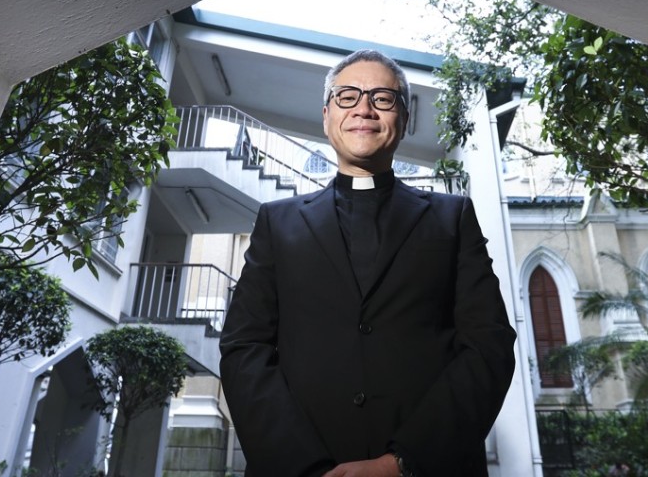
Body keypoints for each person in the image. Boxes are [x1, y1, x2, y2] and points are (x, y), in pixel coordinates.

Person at [220, 50, 517, 477]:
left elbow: (488, 345)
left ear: (405, 117)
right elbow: (244, 348)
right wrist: (303, 467)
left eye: (382, 98)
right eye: (347, 96)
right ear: (326, 116)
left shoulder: (453, 219)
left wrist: (401, 463)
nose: (364, 108)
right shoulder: (276, 222)